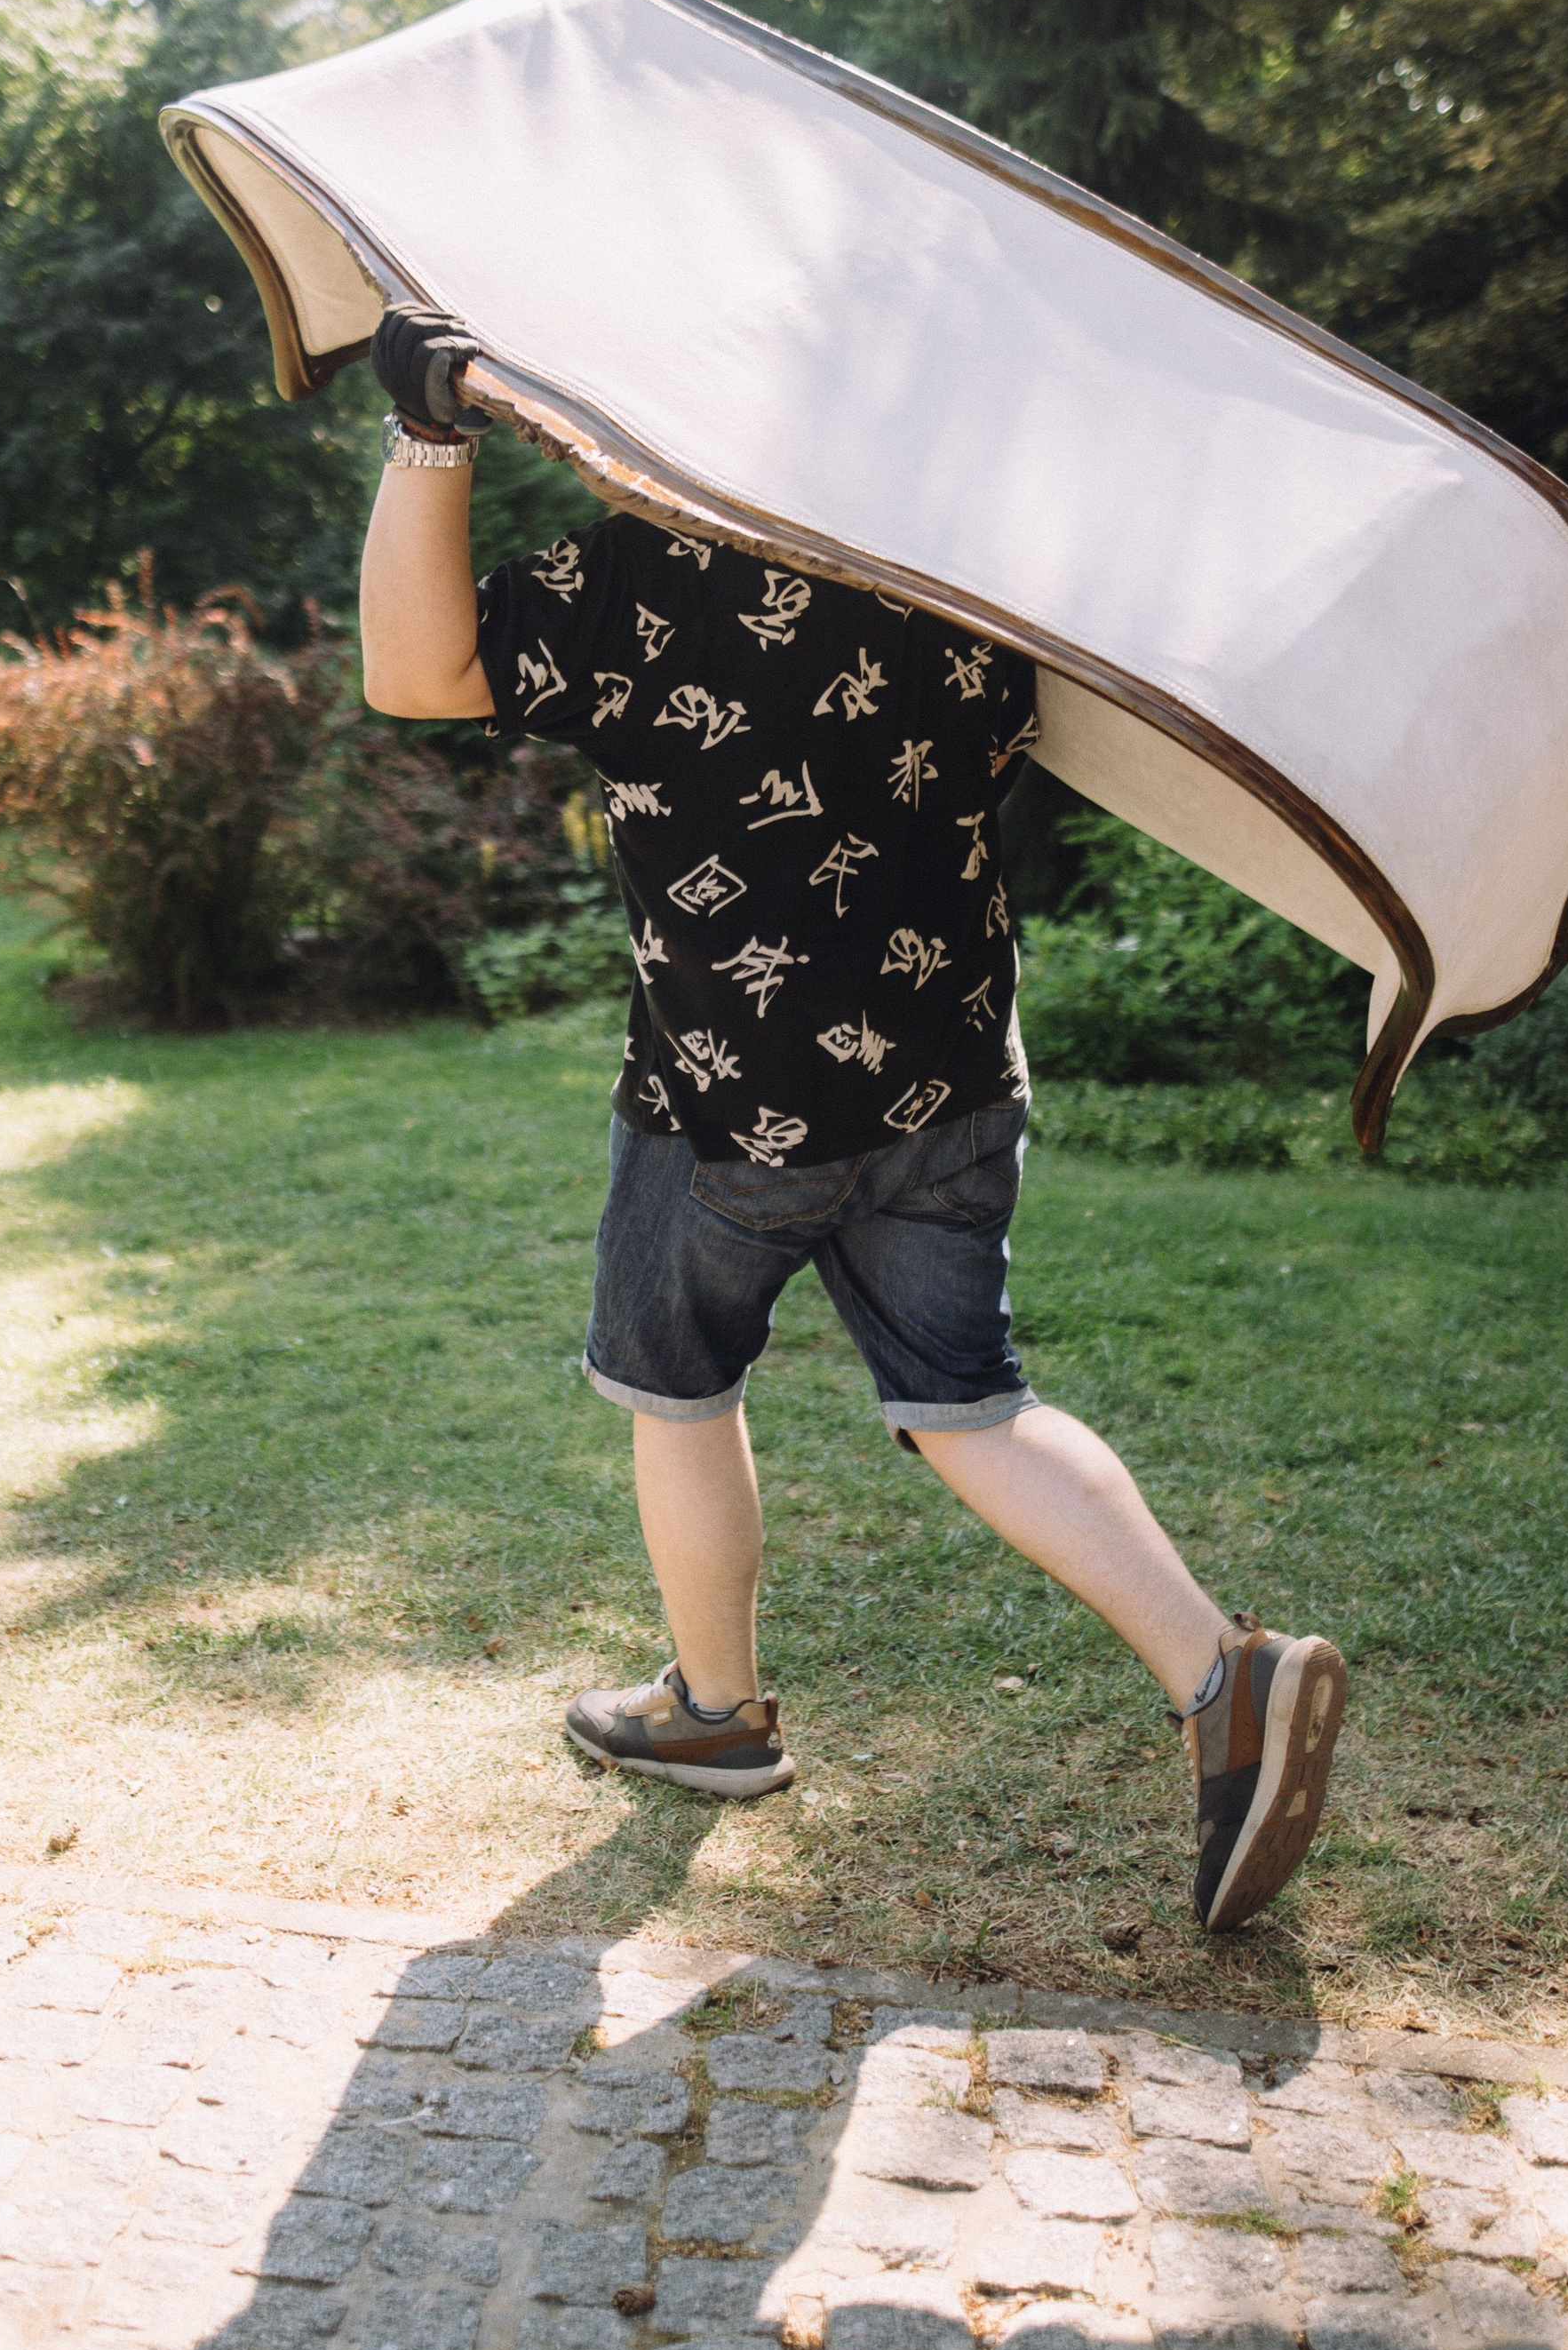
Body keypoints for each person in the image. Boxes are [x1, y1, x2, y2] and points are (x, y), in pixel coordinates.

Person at [360, 309, 1346, 1933]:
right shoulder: (958, 573)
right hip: (950, 1083)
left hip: (730, 1107)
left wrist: (430, 433)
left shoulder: (646, 579)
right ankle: (1219, 1672)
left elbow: (415, 669)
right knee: (970, 1405)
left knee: (677, 1391)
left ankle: (717, 1712)